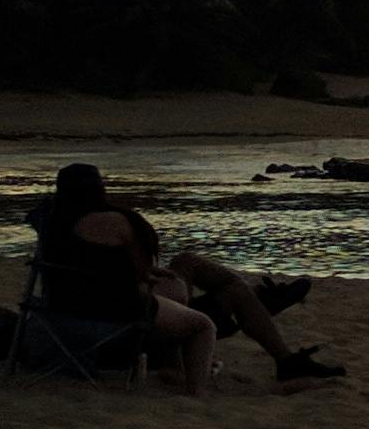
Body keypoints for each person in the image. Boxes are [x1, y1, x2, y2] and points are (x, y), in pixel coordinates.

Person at [19, 164, 342, 393]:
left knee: (186, 263)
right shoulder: (116, 222)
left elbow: (130, 269)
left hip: (63, 310)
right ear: (99, 189)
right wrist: (146, 271)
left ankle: (255, 302)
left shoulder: (51, 222)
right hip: (116, 317)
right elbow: (144, 268)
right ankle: (267, 342)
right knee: (218, 302)